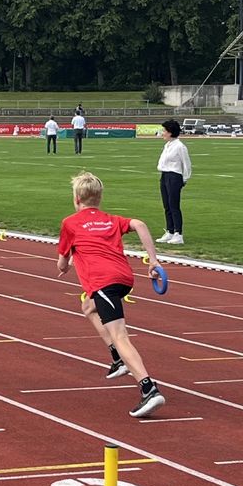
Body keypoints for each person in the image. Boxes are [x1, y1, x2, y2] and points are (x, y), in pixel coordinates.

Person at [57, 171, 165, 418]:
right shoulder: (110, 220)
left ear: (76, 199)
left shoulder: (70, 223)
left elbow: (62, 262)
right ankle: (117, 358)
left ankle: (148, 388)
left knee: (120, 335)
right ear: (99, 198)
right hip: (123, 279)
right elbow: (139, 224)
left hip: (103, 282)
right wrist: (153, 261)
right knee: (88, 307)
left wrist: (65, 266)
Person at [157, 119, 191, 245]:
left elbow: (187, 164)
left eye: (164, 131)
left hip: (174, 176)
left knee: (174, 205)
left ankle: (178, 233)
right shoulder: (167, 145)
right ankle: (170, 231)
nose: (162, 133)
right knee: (166, 205)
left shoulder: (180, 146)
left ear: (170, 132)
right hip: (165, 175)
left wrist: (184, 179)